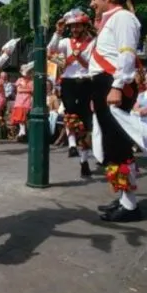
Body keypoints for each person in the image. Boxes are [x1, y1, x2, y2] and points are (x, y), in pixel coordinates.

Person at [87, 0, 143, 222]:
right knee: (112, 144)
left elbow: (127, 55)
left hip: (113, 84)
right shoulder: (109, 21)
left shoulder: (123, 18)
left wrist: (117, 86)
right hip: (104, 85)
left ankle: (130, 206)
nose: (92, 3)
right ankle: (123, 198)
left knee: (119, 144)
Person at [47, 9, 95, 177]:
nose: (74, 29)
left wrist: (79, 56)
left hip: (85, 82)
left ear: (84, 26)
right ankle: (72, 145)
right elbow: (50, 50)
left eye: (77, 26)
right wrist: (58, 31)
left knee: (85, 122)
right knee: (69, 114)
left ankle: (84, 160)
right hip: (68, 82)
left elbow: (93, 65)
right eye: (72, 26)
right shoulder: (65, 41)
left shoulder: (92, 42)